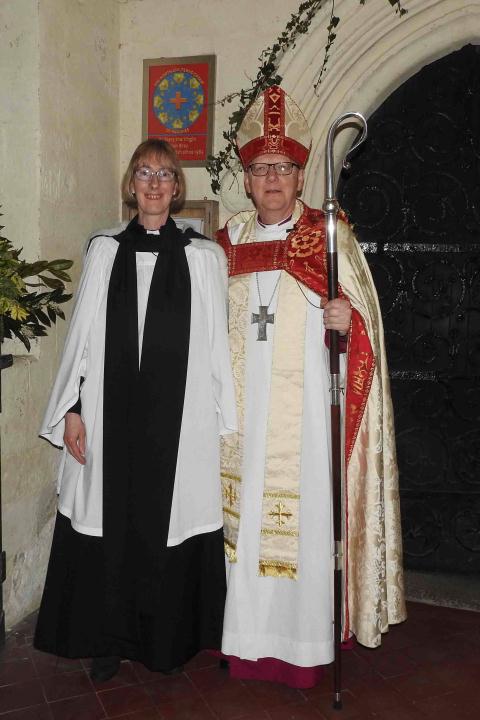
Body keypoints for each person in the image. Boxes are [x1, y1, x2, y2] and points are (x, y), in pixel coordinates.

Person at [216, 85, 406, 689]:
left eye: (284, 168)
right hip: (241, 423)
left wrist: (346, 322)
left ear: (301, 177)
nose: (272, 177)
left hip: (304, 428)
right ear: (245, 179)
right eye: (260, 168)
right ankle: (243, 644)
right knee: (241, 529)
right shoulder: (226, 244)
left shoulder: (329, 239)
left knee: (301, 530)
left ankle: (302, 650)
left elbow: (366, 333)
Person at [34, 139, 237, 681]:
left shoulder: (203, 258)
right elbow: (80, 341)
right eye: (144, 173)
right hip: (108, 414)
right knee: (108, 518)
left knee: (171, 520)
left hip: (180, 419)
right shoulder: (104, 250)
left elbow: (217, 346)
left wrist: (220, 419)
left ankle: (164, 642)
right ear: (131, 185)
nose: (153, 183)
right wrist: (73, 409)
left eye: (165, 175)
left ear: (177, 188)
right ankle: (107, 640)